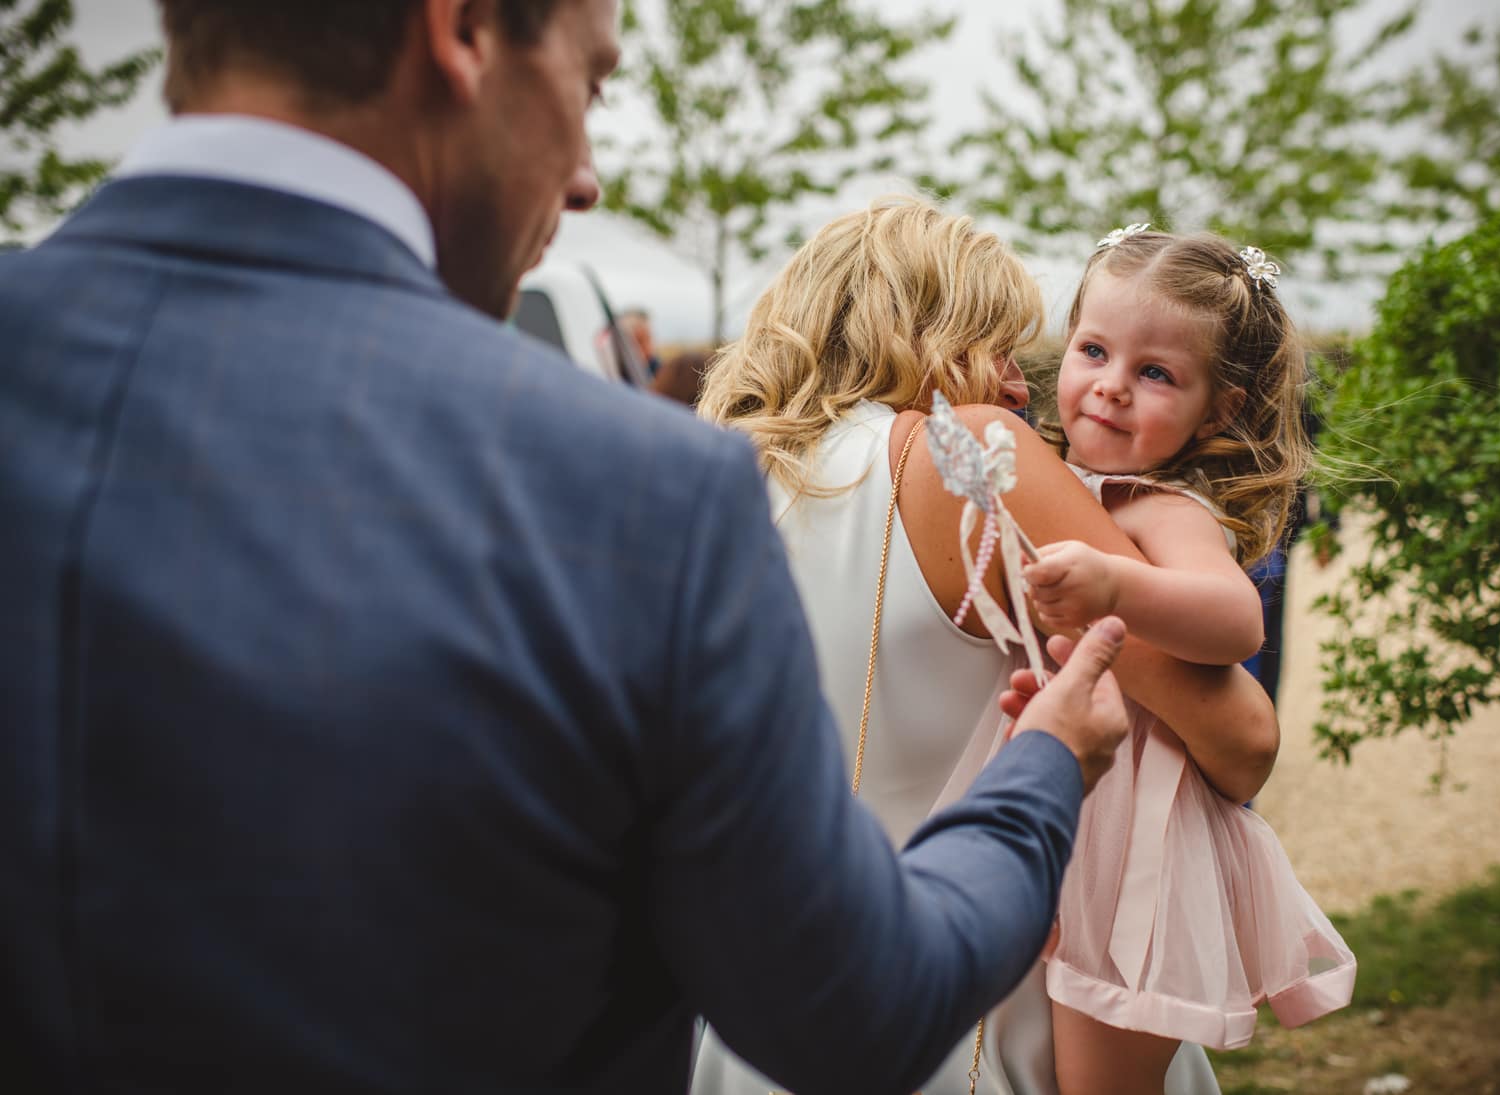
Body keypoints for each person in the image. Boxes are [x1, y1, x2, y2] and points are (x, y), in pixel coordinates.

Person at [0, 3, 1152, 1092]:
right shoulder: (633, 496)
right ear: (459, 32)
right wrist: (1043, 766)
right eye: (590, 81)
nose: (589, 173)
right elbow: (854, 1011)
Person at [691, 198, 1282, 1095]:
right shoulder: (966, 454)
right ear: (926, 326)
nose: (1017, 386)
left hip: (767, 1014)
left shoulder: (710, 483)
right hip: (977, 1006)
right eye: (999, 345)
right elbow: (1242, 740)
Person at [1021, 226, 1356, 1093]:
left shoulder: (1164, 508)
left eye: (1155, 372)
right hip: (1073, 806)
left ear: (1221, 410)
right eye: (1094, 349)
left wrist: (1114, 584)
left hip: (1133, 838)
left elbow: (1236, 618)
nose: (1111, 386)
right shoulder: (1065, 477)